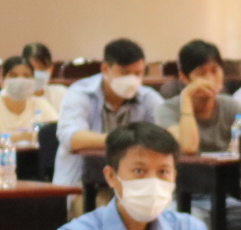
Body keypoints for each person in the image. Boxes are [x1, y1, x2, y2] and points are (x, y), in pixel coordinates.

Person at [43, 123, 210, 230]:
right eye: (139, 170)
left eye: (163, 172)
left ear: (174, 175)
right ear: (111, 176)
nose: (152, 182)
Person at [56, 38, 164, 188]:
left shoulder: (148, 97)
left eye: (138, 73)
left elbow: (167, 137)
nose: (132, 80)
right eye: (125, 73)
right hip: (81, 186)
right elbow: (73, 138)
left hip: (133, 186)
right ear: (106, 69)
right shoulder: (80, 93)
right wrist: (124, 140)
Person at [157, 40, 241, 155]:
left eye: (214, 71)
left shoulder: (231, 106)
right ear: (184, 77)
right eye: (201, 73)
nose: (210, 79)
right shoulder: (167, 110)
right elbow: (188, 148)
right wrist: (186, 97)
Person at [0, 55, 59, 143]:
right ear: (2, 80)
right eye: (13, 76)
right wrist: (22, 137)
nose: (20, 80)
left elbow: (58, 132)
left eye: (26, 76)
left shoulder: (40, 103)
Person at [23, 42, 68, 111]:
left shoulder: (61, 94)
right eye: (32, 69)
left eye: (42, 69)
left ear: (51, 69)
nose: (37, 74)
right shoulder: (14, 97)